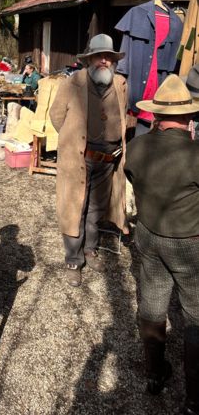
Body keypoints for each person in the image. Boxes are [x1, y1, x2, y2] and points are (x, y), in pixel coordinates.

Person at [124, 75, 199, 413]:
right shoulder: (195, 154)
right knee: (196, 313)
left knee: (153, 302)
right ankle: (194, 398)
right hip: (189, 243)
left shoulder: (137, 146)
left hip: (148, 234)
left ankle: (154, 375)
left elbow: (131, 176)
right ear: (190, 115)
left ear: (155, 114)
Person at [49, 34, 128, 287]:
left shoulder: (120, 84)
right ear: (89, 59)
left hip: (108, 160)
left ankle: (90, 249)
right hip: (79, 158)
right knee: (74, 207)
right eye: (98, 56)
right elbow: (56, 116)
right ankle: (73, 260)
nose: (103, 61)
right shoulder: (72, 83)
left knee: (96, 208)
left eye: (108, 57)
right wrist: (72, 143)